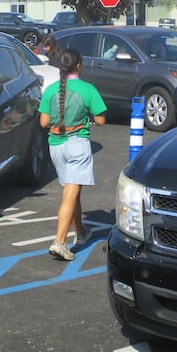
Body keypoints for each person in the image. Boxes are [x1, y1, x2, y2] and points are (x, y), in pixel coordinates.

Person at [39, 48, 107, 261]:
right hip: (77, 144)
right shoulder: (88, 89)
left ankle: (81, 232)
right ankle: (59, 241)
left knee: (72, 189)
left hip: (55, 145)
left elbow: (43, 122)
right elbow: (101, 120)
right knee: (70, 192)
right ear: (79, 65)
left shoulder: (51, 89)